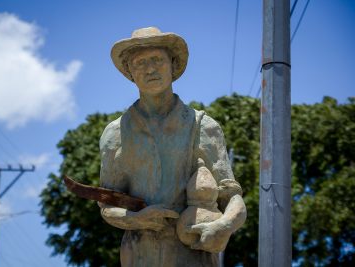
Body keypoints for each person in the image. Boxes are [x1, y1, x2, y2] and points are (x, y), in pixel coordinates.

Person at [98, 27, 247, 267]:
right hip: (139, 256)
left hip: (193, 254)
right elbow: (107, 205)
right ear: (130, 73)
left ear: (172, 64)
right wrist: (138, 220)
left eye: (157, 60)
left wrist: (223, 226)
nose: (150, 69)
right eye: (140, 63)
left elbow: (232, 199)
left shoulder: (202, 127)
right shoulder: (115, 134)